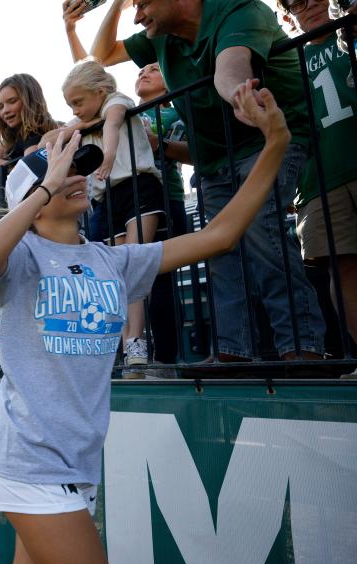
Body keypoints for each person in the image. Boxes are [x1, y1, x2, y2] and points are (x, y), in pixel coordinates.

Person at [0, 82, 291, 564]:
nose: (79, 177)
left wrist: (276, 144)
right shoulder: (21, 257)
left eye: (81, 169)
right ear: (34, 195)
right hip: (31, 462)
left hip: (76, 465)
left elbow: (221, 234)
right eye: (65, 171)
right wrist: (43, 186)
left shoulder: (112, 260)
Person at [89, 0, 326, 363]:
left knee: (265, 235)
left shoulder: (237, 9)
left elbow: (229, 67)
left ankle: (302, 346)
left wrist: (238, 95)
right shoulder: (158, 35)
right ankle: (233, 352)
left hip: (269, 138)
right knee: (217, 250)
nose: (137, 17)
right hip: (214, 160)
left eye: (142, 4)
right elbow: (101, 53)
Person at [54, 60, 166, 374]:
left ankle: (136, 341)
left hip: (138, 184)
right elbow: (53, 138)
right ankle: (120, 345)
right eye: (70, 105)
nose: (75, 109)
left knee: (134, 262)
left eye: (78, 102)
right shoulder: (84, 121)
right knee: (113, 274)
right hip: (108, 198)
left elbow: (113, 126)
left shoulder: (116, 102)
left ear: (100, 91)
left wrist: (109, 156)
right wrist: (69, 128)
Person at [280, 0, 357, 377]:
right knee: (342, 270)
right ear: (286, 15)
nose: (307, 5)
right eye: (294, 2)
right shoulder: (286, 61)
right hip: (317, 183)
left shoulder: (352, 33)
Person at [0, 73, 60, 173]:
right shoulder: (11, 137)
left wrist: (9, 168)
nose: (5, 110)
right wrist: (14, 167)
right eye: (0, 106)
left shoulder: (35, 131)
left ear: (31, 100)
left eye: (12, 101)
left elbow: (29, 168)